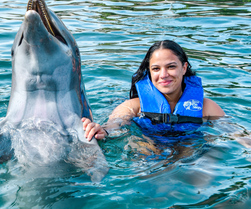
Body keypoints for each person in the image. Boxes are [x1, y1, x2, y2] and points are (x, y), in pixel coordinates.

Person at [82, 40, 225, 142]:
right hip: (149, 149)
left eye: (171, 67)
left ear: (184, 67)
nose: (163, 75)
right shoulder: (134, 107)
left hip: (189, 149)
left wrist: (248, 148)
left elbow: (236, 133)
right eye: (156, 69)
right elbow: (115, 124)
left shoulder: (207, 108)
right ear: (150, 72)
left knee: (205, 155)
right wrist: (103, 131)